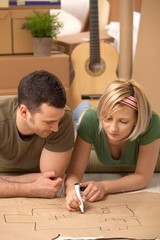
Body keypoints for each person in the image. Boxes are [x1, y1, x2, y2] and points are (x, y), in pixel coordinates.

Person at [65, 78, 160, 211]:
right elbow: (74, 173)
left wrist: (104, 186)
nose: (113, 128)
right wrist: (71, 192)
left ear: (137, 119)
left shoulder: (151, 123)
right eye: (108, 118)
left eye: (123, 121)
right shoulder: (92, 119)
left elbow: (143, 177)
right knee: (84, 117)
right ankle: (82, 109)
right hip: (89, 120)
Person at [0, 70, 74, 198]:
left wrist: (5, 182)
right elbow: (40, 186)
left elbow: (51, 182)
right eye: (49, 122)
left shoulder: (64, 118)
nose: (56, 128)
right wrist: (30, 188)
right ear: (24, 112)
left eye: (58, 120)